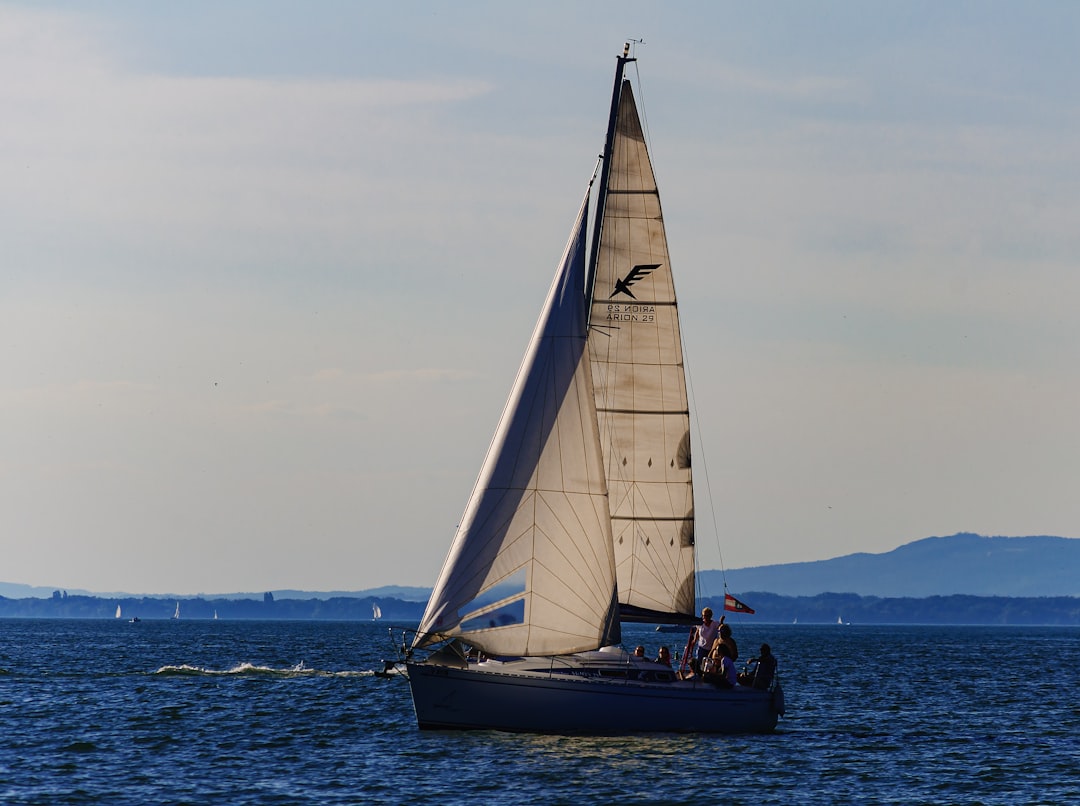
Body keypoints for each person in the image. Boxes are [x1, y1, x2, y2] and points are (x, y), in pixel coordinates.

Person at [691, 607, 721, 675]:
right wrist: (694, 641)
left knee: (710, 666)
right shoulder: (700, 624)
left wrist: (721, 621)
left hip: (711, 649)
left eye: (707, 616)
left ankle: (708, 678)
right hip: (701, 648)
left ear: (710, 616)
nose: (705, 617)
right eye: (704, 616)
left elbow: (721, 628)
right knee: (699, 664)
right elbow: (697, 632)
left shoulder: (715, 624)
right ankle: (698, 677)